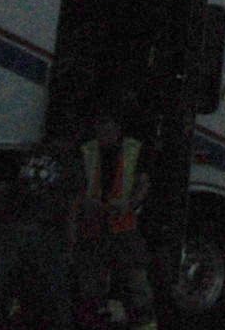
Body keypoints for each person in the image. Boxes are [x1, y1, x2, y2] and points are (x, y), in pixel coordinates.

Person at [0, 135, 76, 330]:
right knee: (53, 281)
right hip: (45, 228)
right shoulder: (68, 160)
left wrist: (2, 215)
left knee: (6, 279)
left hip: (21, 225)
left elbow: (4, 187)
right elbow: (71, 201)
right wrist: (70, 234)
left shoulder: (26, 155)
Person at [74, 112, 152, 329]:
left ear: (118, 129)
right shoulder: (87, 150)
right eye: (99, 130)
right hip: (95, 226)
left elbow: (144, 183)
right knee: (92, 286)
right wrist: (86, 205)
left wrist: (130, 204)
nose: (103, 134)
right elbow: (77, 186)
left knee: (136, 284)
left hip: (124, 226)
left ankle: (142, 322)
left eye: (107, 129)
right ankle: (98, 318)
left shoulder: (133, 149)